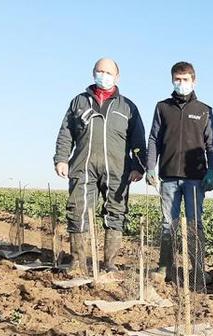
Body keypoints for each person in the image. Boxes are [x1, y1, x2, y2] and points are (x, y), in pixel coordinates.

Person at [54, 57, 146, 274]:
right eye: (100, 71)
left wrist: (139, 167)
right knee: (78, 210)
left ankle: (110, 265)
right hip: (83, 165)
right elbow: (66, 132)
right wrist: (61, 158)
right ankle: (78, 262)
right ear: (93, 72)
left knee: (115, 213)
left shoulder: (127, 107)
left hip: (117, 169)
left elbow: (138, 141)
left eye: (108, 72)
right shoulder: (79, 102)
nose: (103, 75)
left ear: (117, 77)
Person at [146, 61, 213, 283]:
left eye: (185, 79)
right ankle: (165, 267)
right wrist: (150, 167)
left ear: (193, 81)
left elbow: (211, 145)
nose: (181, 84)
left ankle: (198, 270)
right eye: (177, 79)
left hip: (195, 179)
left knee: (194, 224)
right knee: (169, 223)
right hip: (168, 177)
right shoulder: (162, 107)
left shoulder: (204, 110)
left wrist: (211, 171)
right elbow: (153, 139)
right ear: (172, 80)